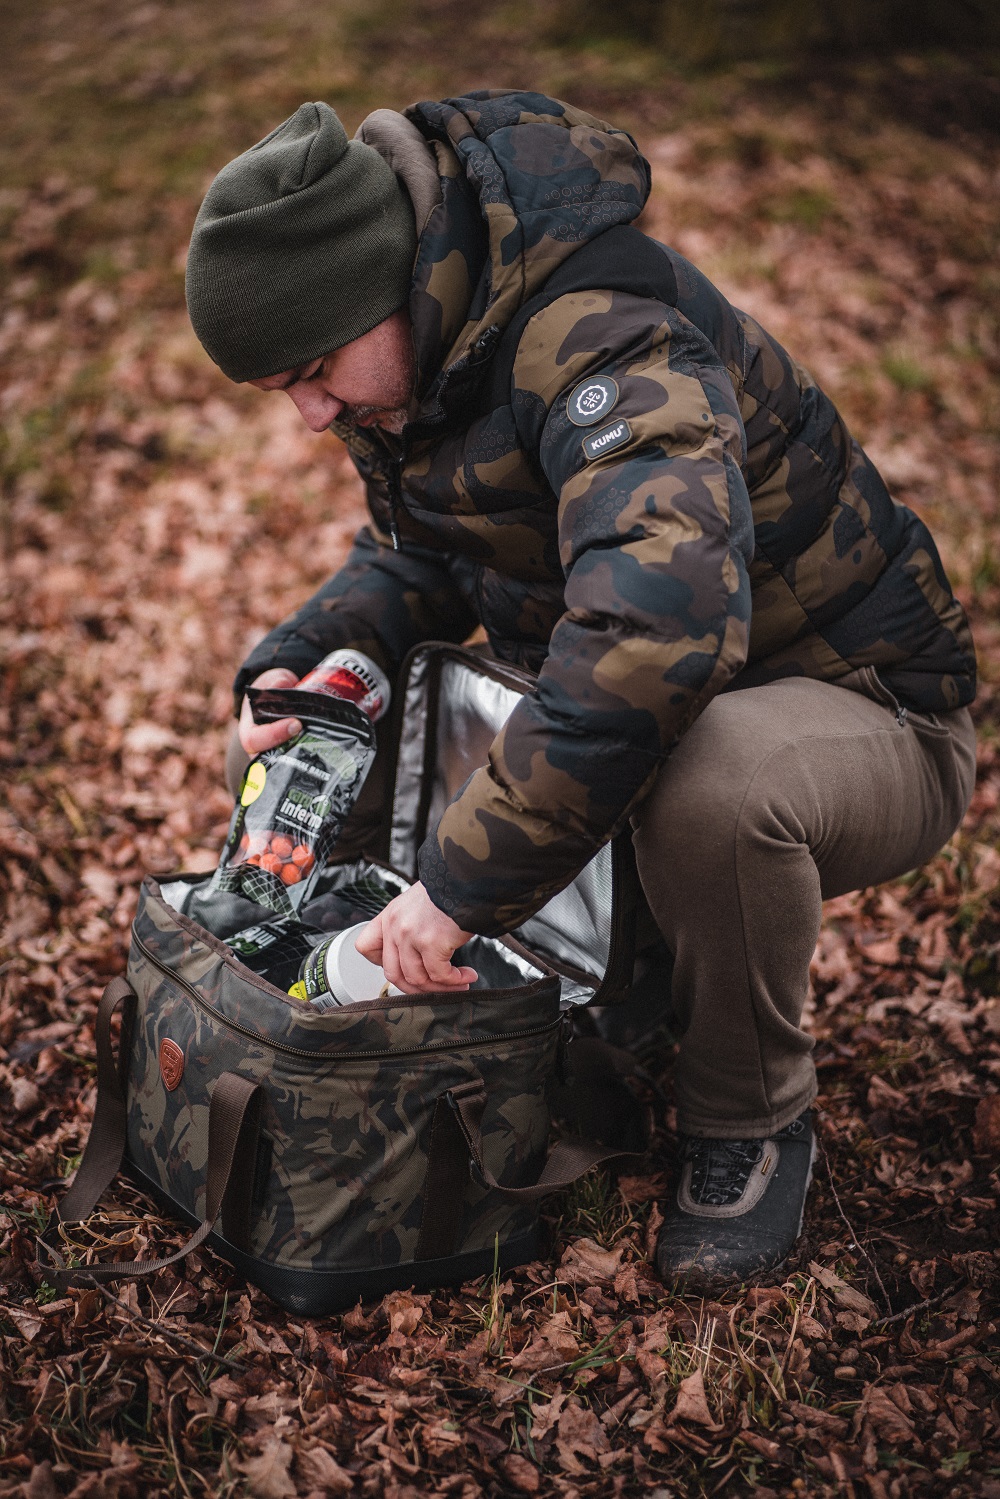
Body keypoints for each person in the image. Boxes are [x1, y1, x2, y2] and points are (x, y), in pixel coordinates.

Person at [184, 91, 977, 1284]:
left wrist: (455, 889)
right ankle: (547, 1001)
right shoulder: (417, 351)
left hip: (868, 709)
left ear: (382, 284)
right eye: (279, 390)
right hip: (674, 698)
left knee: (718, 783)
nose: (310, 416)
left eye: (313, 373)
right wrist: (315, 659)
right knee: (332, 726)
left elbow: (654, 638)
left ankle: (750, 1120)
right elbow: (421, 554)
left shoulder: (604, 338)